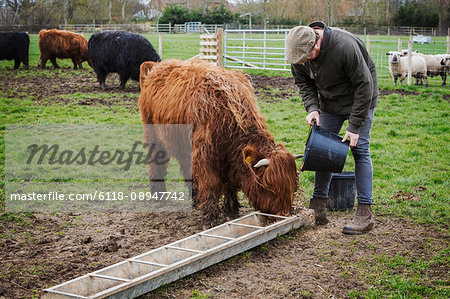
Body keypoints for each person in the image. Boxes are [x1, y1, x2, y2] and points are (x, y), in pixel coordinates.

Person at [286, 21, 378, 235]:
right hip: (329, 103)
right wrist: (312, 108)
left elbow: (365, 85)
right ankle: (318, 205)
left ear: (316, 43)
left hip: (360, 98)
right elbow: (304, 84)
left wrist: (354, 126)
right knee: (322, 148)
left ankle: (365, 213)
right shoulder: (299, 53)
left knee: (360, 149)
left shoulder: (343, 46)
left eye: (307, 57)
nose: (303, 61)